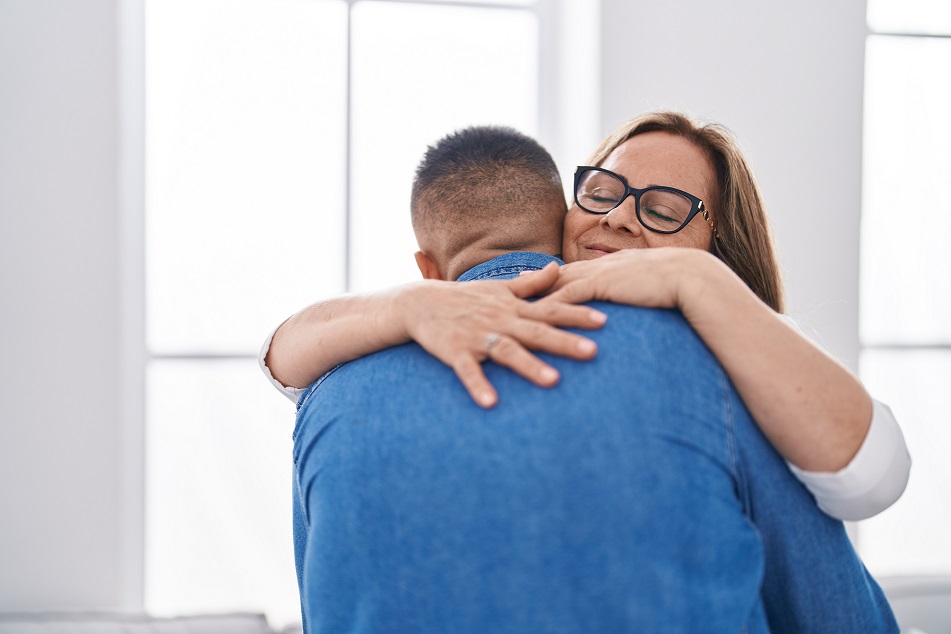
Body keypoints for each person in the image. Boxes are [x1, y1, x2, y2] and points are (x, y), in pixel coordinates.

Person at [280, 125, 898, 632]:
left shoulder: (330, 393)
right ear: (562, 213)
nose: (623, 219)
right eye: (603, 193)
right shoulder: (700, 371)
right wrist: (402, 308)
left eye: (663, 210)